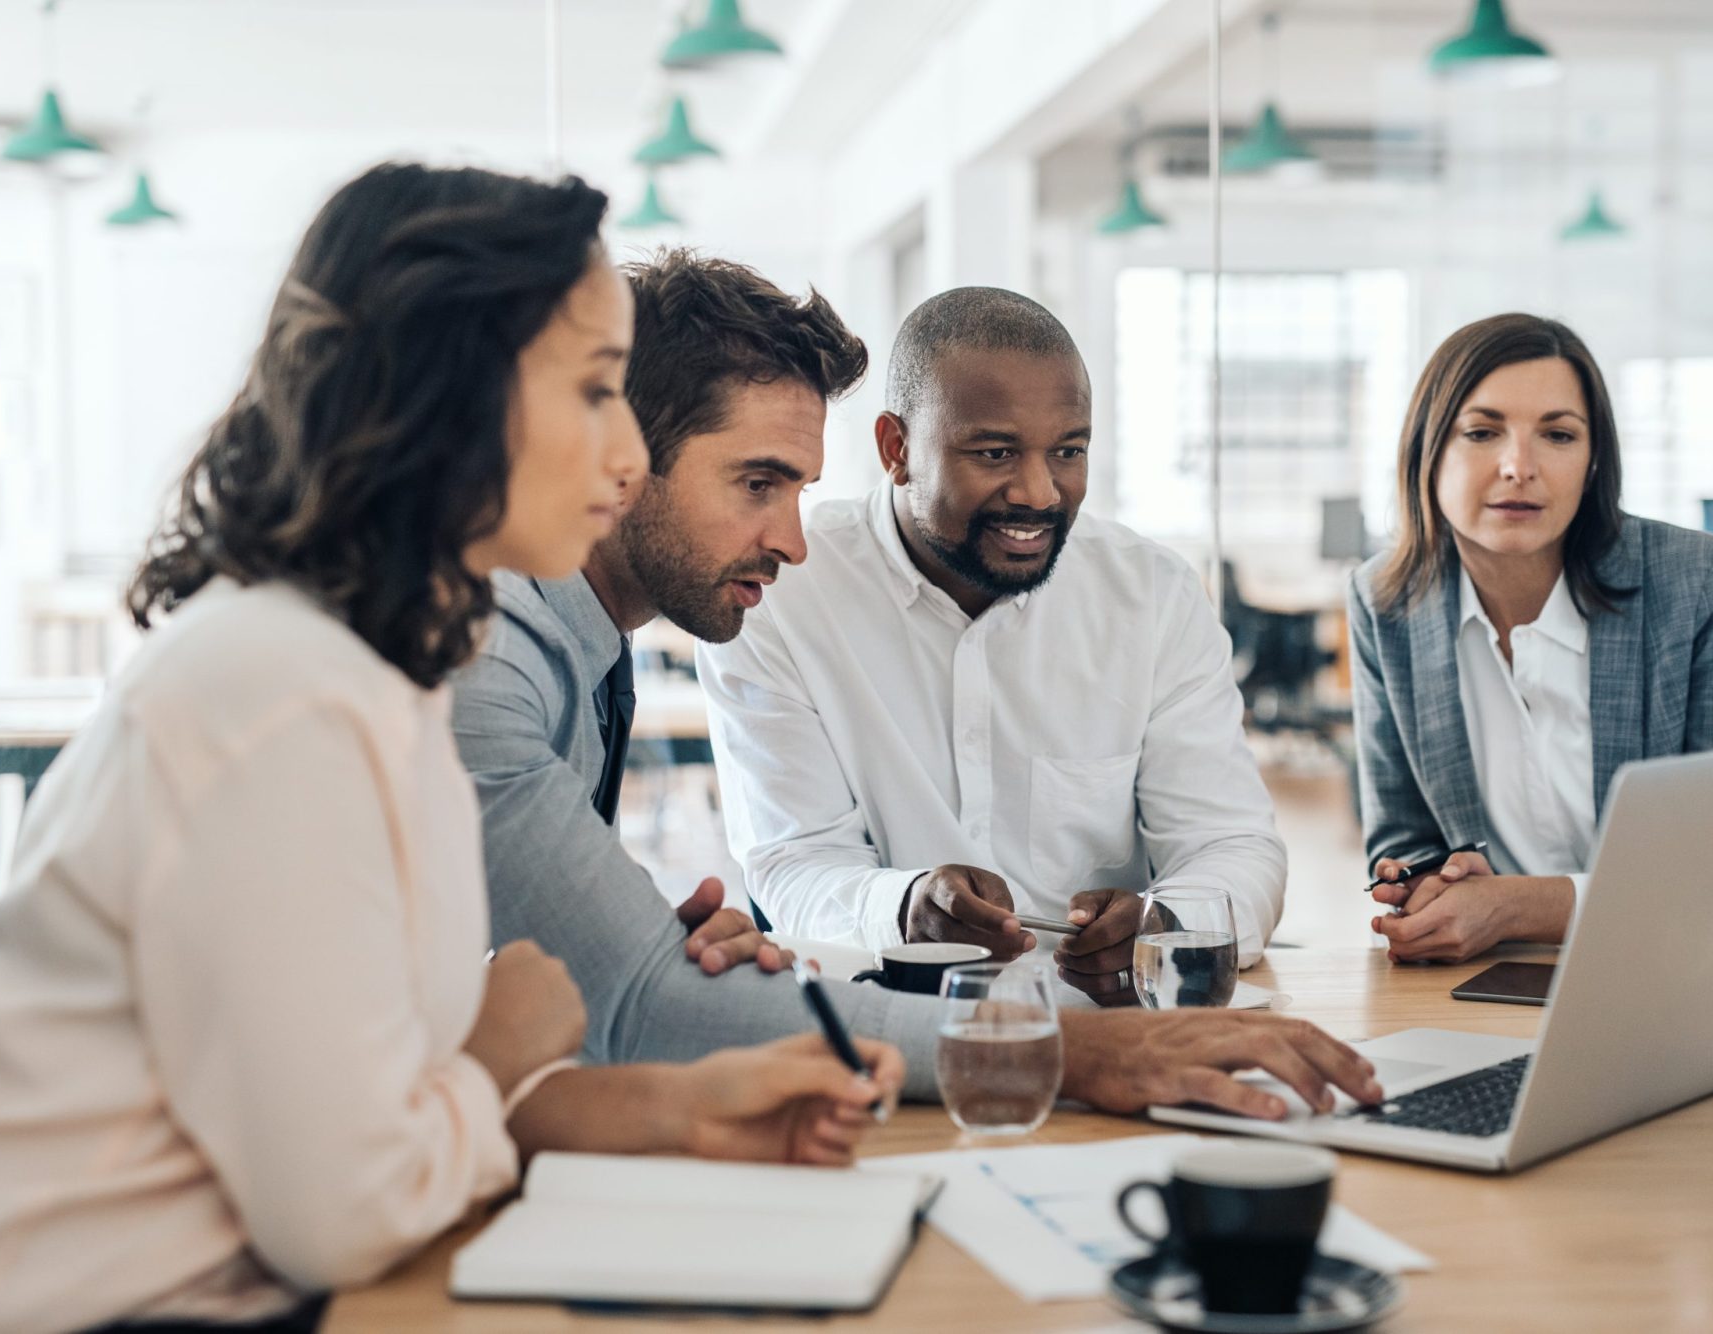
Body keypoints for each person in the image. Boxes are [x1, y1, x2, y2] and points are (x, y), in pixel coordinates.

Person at [0, 166, 898, 1334]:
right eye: (596, 390)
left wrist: (679, 1106)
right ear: (454, 396)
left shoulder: (376, 674)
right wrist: (499, 1045)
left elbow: (379, 1093)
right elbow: (343, 1206)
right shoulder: (282, 689)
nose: (626, 455)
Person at [455, 252, 1384, 1116]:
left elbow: (592, 989)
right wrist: (1073, 1053)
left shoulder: (583, 646)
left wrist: (658, 958)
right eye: (757, 484)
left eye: (1068, 451)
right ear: (618, 456)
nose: (792, 539)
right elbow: (645, 1000)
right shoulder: (495, 661)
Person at [696, 286, 1288, 1006]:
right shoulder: (785, 591)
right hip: (891, 1029)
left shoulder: (1152, 596)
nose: (1040, 492)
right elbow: (794, 863)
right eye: (995, 452)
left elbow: (1233, 847)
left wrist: (1166, 925)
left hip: (1114, 1030)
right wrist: (905, 906)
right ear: (896, 449)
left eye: (1068, 450)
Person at [1349, 312, 1713, 965]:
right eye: (1481, 431)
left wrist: (1519, 905)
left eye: (1558, 435)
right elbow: (1404, 837)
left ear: (1591, 463)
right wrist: (1425, 883)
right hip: (1492, 977)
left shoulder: (1706, 584)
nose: (1518, 466)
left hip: (1686, 967)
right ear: (1427, 451)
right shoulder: (1386, 601)